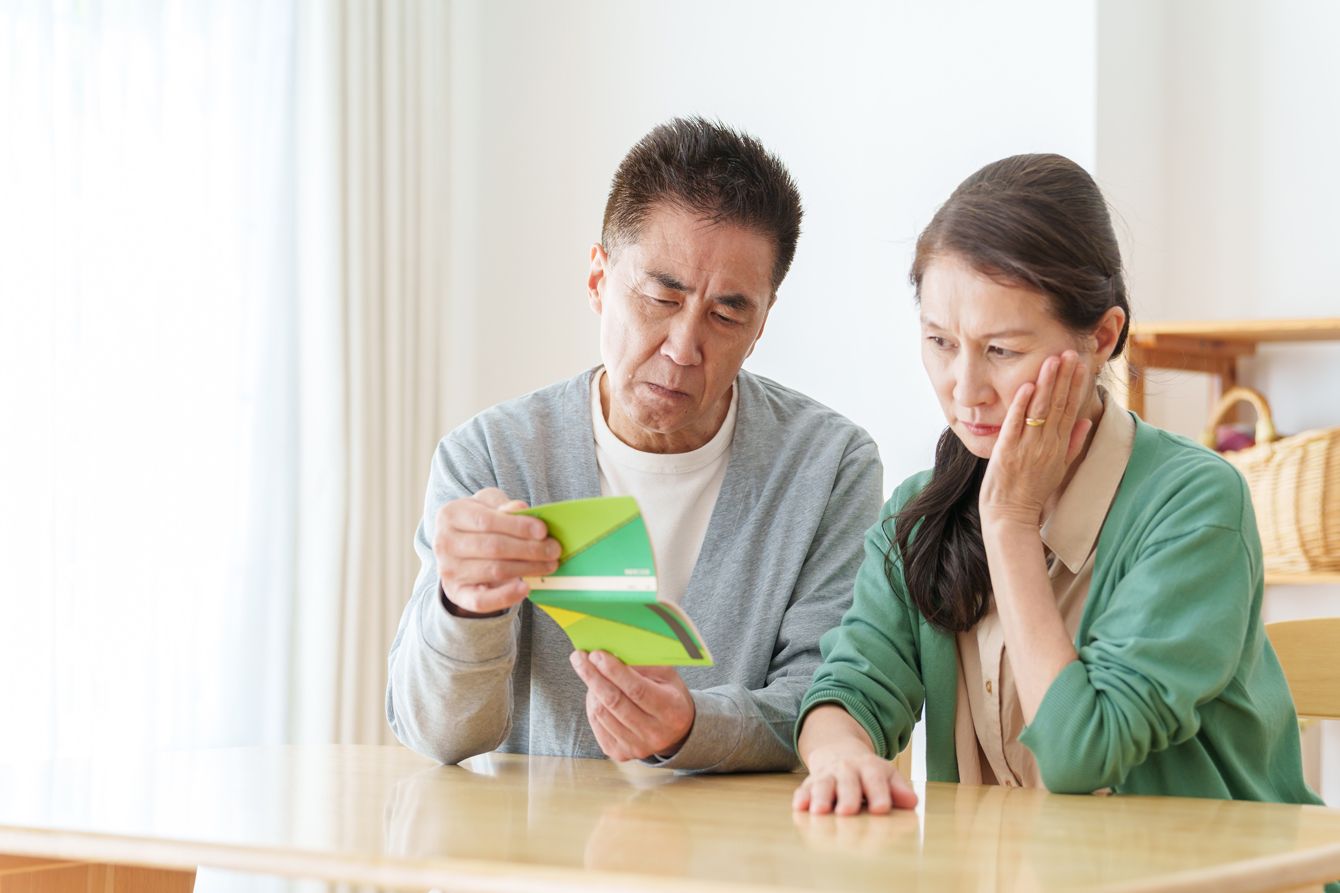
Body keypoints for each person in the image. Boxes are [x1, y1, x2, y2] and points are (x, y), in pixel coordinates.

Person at [793, 153, 1323, 815]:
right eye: (940, 341)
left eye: (1002, 350)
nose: (965, 389)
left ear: (1103, 336)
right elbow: (848, 688)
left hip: (1219, 867)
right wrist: (839, 753)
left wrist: (1010, 524)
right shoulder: (919, 512)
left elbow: (1081, 755)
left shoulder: (1195, 504)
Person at [386, 117, 882, 772]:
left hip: (735, 838)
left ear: (762, 323)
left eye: (727, 314)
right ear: (598, 279)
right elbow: (437, 735)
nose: (683, 348)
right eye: (659, 297)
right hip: (531, 836)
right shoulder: (490, 456)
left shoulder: (828, 466)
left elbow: (828, 700)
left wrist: (691, 726)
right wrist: (464, 608)